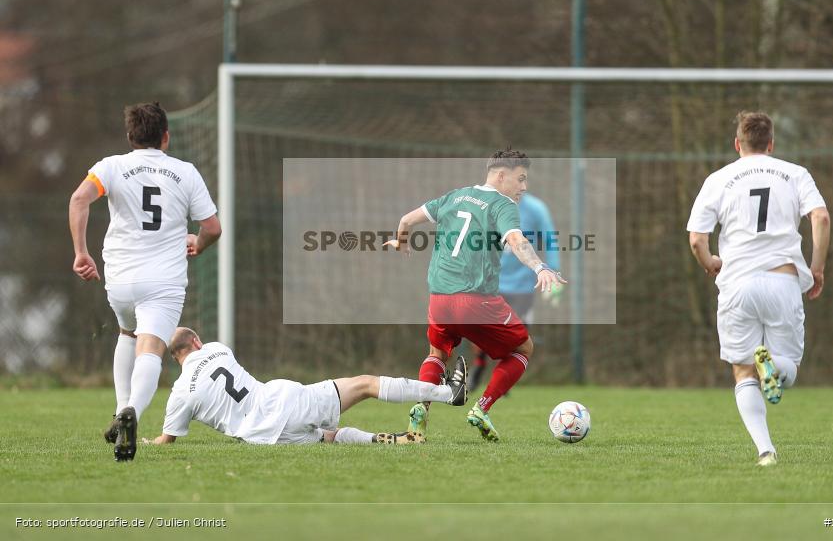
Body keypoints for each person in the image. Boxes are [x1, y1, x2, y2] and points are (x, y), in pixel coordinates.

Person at [68, 102, 221, 462]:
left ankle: (122, 408)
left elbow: (78, 199)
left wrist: (80, 252)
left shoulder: (112, 166)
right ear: (166, 137)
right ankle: (133, 408)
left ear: (130, 137)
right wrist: (197, 243)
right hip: (163, 279)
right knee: (150, 346)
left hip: (120, 276)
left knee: (127, 333)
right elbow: (212, 227)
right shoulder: (185, 172)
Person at [384, 149, 567, 442]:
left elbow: (406, 220)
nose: (524, 187)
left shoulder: (454, 196)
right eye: (520, 179)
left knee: (438, 353)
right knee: (523, 349)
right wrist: (539, 266)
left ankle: (421, 408)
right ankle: (482, 408)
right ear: (501, 176)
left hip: (439, 299)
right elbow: (517, 240)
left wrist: (402, 243)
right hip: (475, 300)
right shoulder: (503, 204)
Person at [686, 111, 830, 466]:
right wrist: (816, 268)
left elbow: (696, 240)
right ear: (772, 144)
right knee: (789, 367)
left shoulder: (719, 178)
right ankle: (775, 365)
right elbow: (821, 217)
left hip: (737, 284)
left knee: (742, 369)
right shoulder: (795, 173)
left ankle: (766, 451)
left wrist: (709, 263)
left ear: (738, 144)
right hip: (782, 281)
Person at [146, 327, 468, 446]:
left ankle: (398, 442)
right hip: (283, 400)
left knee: (331, 438)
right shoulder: (216, 349)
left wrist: (149, 442)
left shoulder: (179, 393)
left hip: (262, 437)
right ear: (196, 342)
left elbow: (166, 439)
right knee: (366, 384)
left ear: (175, 358)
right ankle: (448, 393)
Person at [468, 192, 561, 391]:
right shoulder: (487, 205)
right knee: (482, 330)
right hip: (492, 282)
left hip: (523, 285)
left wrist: (552, 271)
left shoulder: (536, 208)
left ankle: (504, 376)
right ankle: (478, 366)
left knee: (517, 335)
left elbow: (550, 239)